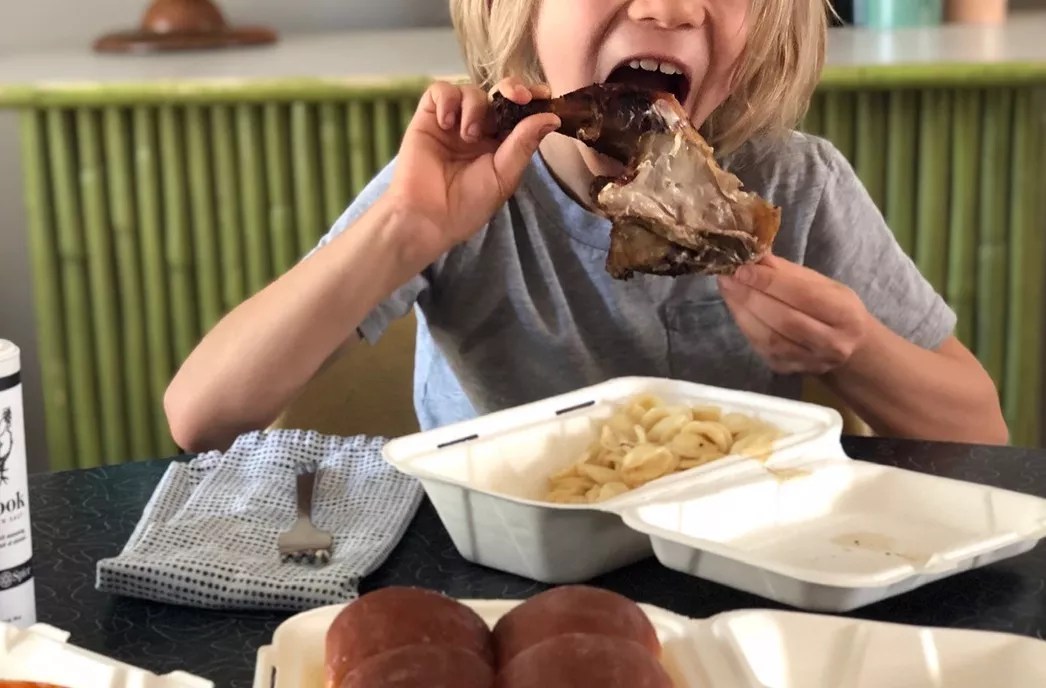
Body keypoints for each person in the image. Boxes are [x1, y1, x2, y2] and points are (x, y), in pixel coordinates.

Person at [164, 0, 1008, 453]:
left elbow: (983, 435)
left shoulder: (796, 185)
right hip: (498, 581)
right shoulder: (465, 183)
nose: (672, 8)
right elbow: (200, 415)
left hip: (736, 574)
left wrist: (852, 352)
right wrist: (404, 230)